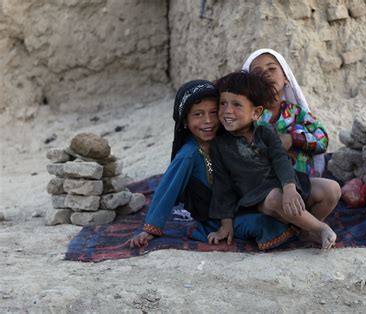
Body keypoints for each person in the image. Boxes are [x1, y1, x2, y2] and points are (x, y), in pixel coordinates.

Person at [126, 79, 297, 250]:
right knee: (264, 225)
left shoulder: (228, 140)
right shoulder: (188, 155)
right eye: (198, 114)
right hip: (216, 217)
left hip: (245, 202)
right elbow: (167, 189)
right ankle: (200, 230)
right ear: (185, 120)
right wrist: (151, 228)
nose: (207, 120)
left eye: (213, 112)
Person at [207, 71, 337, 249]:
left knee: (331, 189)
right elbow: (222, 186)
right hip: (257, 197)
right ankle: (319, 227)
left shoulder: (266, 132)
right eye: (223, 103)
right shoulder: (220, 145)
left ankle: (305, 231)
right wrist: (226, 224)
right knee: (276, 197)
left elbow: (280, 159)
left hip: (287, 184)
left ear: (256, 112)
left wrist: (290, 187)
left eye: (237, 105)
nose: (227, 110)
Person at [242, 48, 327, 177]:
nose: (266, 74)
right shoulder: (250, 118)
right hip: (268, 186)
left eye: (271, 69)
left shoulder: (297, 113)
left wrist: (294, 137)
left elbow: (322, 141)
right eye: (257, 72)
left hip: (306, 184)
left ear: (286, 77)